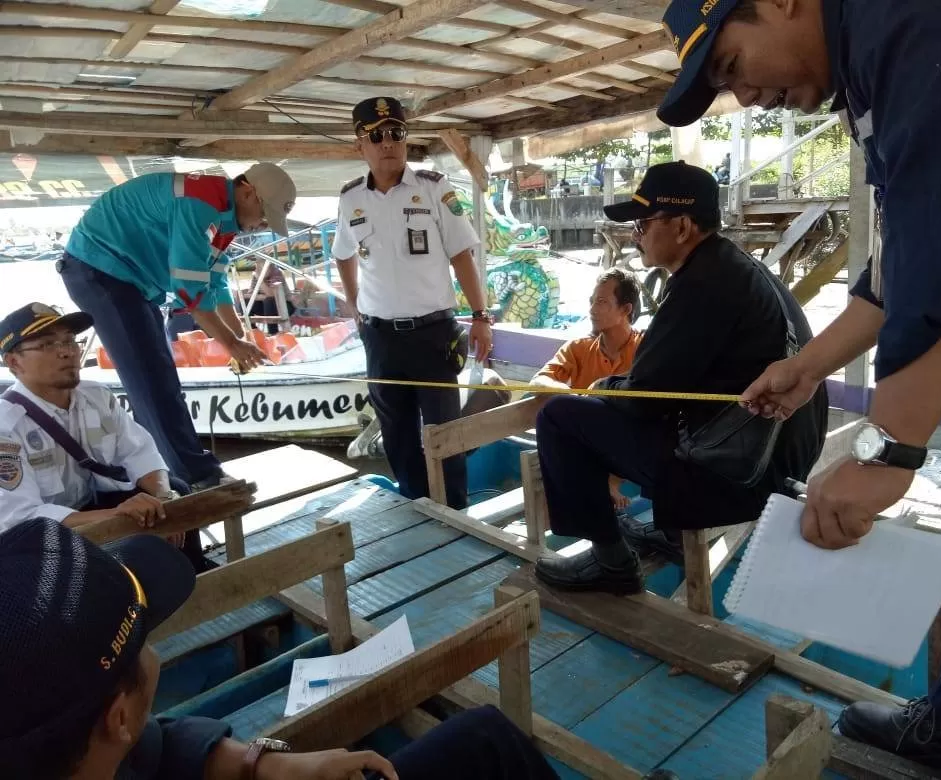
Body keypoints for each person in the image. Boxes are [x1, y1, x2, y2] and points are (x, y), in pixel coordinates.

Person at [654, 0, 941, 775]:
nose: (748, 96)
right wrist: (810, 365)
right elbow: (907, 250)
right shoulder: (866, 65)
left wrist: (886, 452)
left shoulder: (919, 19)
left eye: (732, 66)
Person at [0, 518, 567, 780]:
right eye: (146, 636)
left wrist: (265, 765)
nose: (153, 650)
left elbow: (151, 746)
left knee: (482, 737)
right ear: (117, 715)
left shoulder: (62, 738)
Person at [533, 162, 827, 594]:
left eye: (643, 223)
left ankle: (611, 561)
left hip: (738, 476)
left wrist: (600, 388)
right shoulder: (740, 268)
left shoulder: (703, 285)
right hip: (781, 459)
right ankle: (670, 533)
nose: (635, 235)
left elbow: (644, 399)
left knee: (560, 416)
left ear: (683, 226)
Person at [58, 163, 296, 491]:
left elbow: (213, 285)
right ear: (246, 191)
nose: (262, 224)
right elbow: (190, 292)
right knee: (153, 377)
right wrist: (232, 346)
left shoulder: (224, 217)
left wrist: (239, 338)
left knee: (156, 378)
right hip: (99, 268)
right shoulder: (200, 203)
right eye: (264, 213)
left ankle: (154, 471)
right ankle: (199, 477)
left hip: (128, 279)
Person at [332, 96, 493, 511]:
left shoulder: (435, 188)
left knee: (444, 435)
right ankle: (415, 511)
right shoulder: (351, 199)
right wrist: (355, 308)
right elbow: (343, 253)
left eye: (396, 134)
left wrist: (480, 317)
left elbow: (462, 254)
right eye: (377, 136)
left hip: (433, 334)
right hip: (382, 338)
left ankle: (456, 514)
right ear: (360, 145)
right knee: (398, 437)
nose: (388, 143)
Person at [0, 303, 205, 569]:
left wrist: (164, 499)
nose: (67, 352)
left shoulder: (96, 397)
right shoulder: (6, 426)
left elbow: (139, 453)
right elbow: (22, 516)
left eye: (70, 341)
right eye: (47, 345)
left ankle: (195, 578)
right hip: (39, 536)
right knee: (138, 518)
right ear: (14, 362)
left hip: (88, 507)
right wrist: (117, 515)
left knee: (173, 491)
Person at [532, 267, 645, 509]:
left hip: (633, 447)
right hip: (589, 447)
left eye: (602, 302)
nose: (592, 310)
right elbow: (538, 382)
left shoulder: (646, 348)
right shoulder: (578, 348)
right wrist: (575, 397)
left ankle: (610, 482)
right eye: (592, 301)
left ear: (626, 309)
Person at [247, 263, 296, 335]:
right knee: (247, 301)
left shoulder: (276, 273)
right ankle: (253, 330)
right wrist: (262, 296)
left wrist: (260, 279)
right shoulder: (256, 274)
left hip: (285, 305)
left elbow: (271, 294)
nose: (256, 268)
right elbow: (250, 293)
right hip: (265, 306)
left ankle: (273, 333)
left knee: (269, 301)